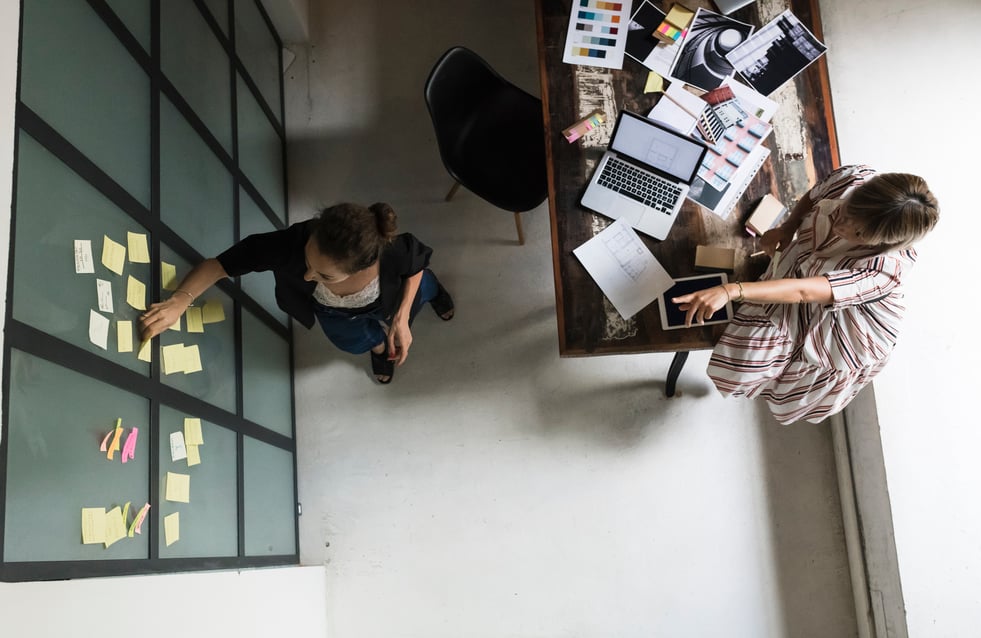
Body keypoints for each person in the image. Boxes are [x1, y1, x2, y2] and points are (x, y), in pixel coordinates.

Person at [672, 165, 939, 424]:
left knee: (749, 359)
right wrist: (788, 227)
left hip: (847, 319)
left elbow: (803, 292)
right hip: (810, 276)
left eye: (857, 232)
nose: (840, 226)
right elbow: (813, 197)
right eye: (844, 212)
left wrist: (731, 290)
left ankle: (772, 379)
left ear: (884, 242)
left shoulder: (883, 269)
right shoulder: (854, 176)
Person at [139, 202, 454, 384]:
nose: (306, 275)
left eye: (324, 275)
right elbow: (220, 265)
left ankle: (433, 294)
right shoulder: (288, 244)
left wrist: (400, 317)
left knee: (423, 287)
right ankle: (376, 347)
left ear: (362, 266)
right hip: (333, 312)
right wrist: (181, 300)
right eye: (308, 260)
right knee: (353, 339)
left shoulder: (391, 252)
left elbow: (416, 263)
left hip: (390, 298)